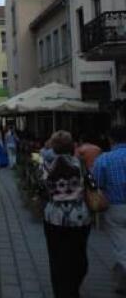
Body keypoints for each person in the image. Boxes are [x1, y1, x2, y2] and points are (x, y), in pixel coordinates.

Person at [39, 131, 91, 298]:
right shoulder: (80, 164)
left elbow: (42, 187)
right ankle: (74, 285)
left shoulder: (46, 165)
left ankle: (61, 291)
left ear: (53, 147)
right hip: (79, 216)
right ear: (72, 145)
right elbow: (90, 183)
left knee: (57, 257)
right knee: (79, 254)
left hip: (55, 216)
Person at [93, 126, 126, 294]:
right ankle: (120, 279)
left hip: (116, 207)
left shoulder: (105, 159)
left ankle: (122, 278)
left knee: (120, 244)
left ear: (111, 139)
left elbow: (97, 182)